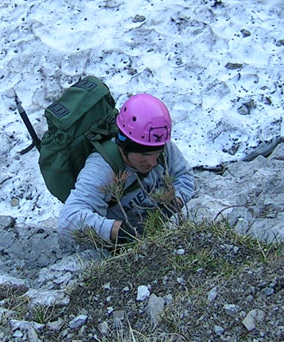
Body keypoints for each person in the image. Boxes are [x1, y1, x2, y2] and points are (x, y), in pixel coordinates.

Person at [58, 92, 194, 244]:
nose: (153, 162)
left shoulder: (159, 143)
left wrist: (171, 207)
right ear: (124, 145)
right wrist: (124, 232)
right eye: (145, 155)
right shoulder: (101, 167)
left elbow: (185, 177)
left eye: (157, 154)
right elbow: (68, 219)